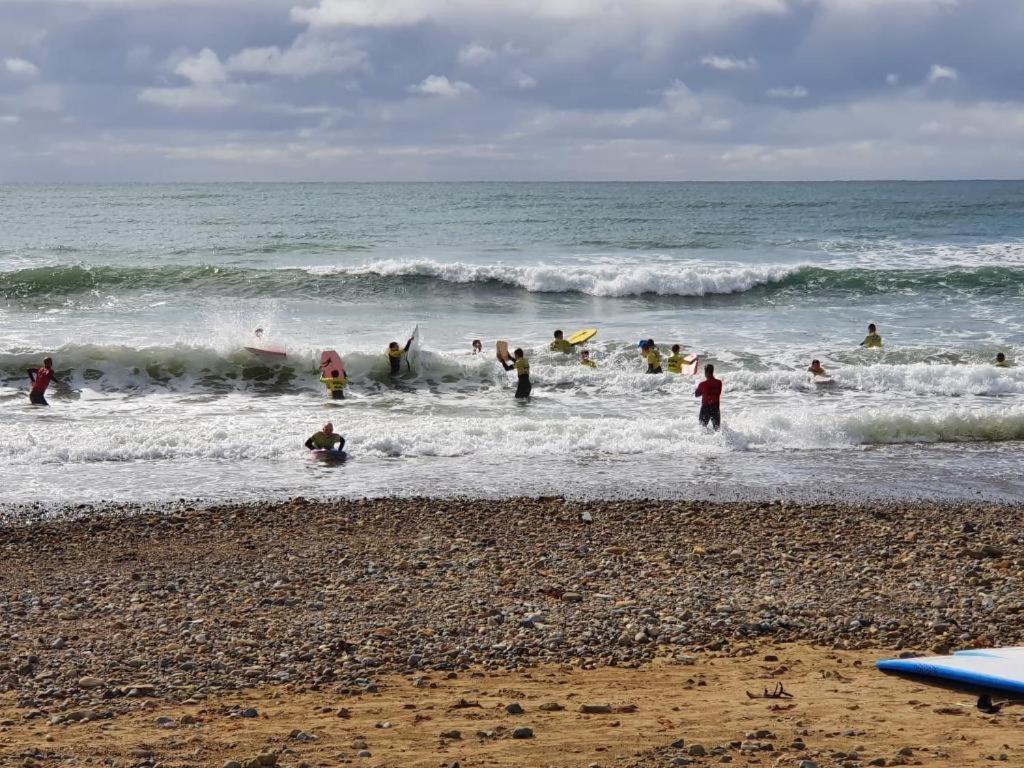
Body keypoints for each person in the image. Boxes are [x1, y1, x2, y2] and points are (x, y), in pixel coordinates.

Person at [694, 363, 723, 431]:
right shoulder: (719, 383)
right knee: (717, 430)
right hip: (715, 408)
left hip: (705, 408)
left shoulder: (702, 384)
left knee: (701, 429)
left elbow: (696, 394)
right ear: (712, 371)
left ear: (706, 372)